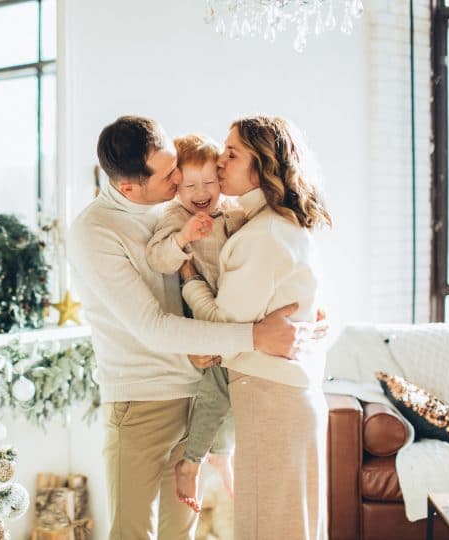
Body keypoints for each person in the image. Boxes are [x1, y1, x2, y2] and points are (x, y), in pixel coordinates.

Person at [66, 115, 317, 540]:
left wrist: (304, 315)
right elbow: (153, 327)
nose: (181, 176)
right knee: (132, 532)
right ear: (129, 187)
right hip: (142, 401)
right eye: (169, 174)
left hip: (196, 390)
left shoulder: (172, 206)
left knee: (181, 533)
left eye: (175, 164)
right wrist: (255, 336)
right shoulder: (95, 231)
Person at [179, 115, 332, 540]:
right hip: (282, 400)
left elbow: (220, 329)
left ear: (262, 165)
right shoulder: (275, 227)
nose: (219, 163)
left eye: (232, 153)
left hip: (271, 402)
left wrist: (189, 278)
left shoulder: (264, 236)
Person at [145, 134, 243, 510]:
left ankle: (218, 451)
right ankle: (200, 457)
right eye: (189, 185)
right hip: (199, 312)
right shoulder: (175, 216)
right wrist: (185, 237)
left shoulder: (232, 210)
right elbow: (158, 259)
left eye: (209, 183)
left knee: (234, 384)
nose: (201, 192)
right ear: (176, 187)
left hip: (228, 307)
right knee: (219, 385)